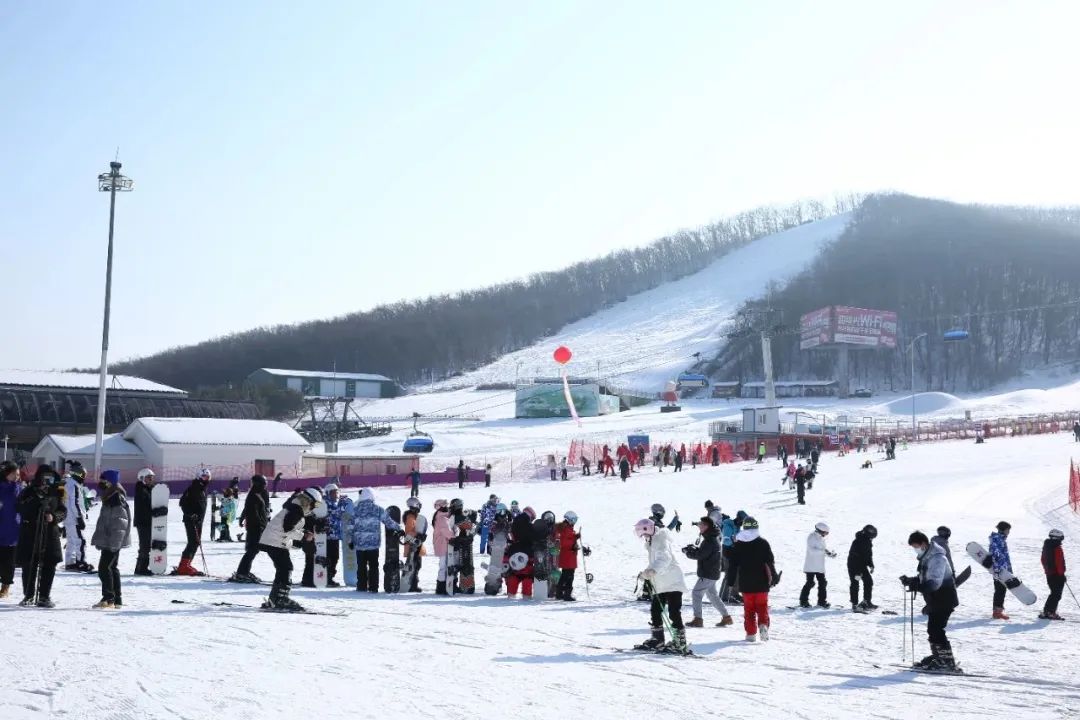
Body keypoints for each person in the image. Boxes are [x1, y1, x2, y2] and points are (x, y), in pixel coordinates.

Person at [901, 531, 960, 670]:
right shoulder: (928, 557)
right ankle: (939, 656)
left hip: (944, 598)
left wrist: (918, 586)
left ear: (923, 544)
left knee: (936, 629)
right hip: (936, 599)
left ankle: (946, 661)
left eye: (915, 546)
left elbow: (934, 583)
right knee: (933, 629)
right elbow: (925, 578)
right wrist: (912, 581)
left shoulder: (937, 558)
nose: (915, 550)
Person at [258, 487, 323, 611]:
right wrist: (304, 536)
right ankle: (281, 599)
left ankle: (275, 599)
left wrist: (301, 536)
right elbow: (287, 528)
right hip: (274, 542)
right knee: (286, 568)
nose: (314, 507)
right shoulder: (297, 509)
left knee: (283, 569)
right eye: (315, 504)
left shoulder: (295, 507)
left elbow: (287, 528)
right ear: (308, 500)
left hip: (274, 541)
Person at [633, 517, 689, 654]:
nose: (644, 537)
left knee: (674, 612)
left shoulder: (660, 540)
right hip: (662, 583)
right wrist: (647, 572)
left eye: (644, 533)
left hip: (673, 582)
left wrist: (652, 571)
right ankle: (657, 640)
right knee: (655, 610)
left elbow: (664, 558)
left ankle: (679, 642)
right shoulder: (652, 542)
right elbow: (655, 561)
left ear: (649, 529)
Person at [16, 465, 67, 607]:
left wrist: (54, 516)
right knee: (29, 564)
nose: (47, 480)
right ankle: (29, 595)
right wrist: (34, 501)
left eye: (50, 476)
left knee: (49, 564)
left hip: (50, 533)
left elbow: (63, 511)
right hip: (31, 532)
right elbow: (19, 507)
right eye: (45, 476)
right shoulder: (29, 491)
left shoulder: (56, 492)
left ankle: (44, 595)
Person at [728, 516, 779, 642]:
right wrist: (774, 577)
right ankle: (763, 625)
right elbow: (770, 562)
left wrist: (730, 582)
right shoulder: (763, 543)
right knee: (762, 606)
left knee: (749, 609)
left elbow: (733, 566)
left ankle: (750, 634)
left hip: (745, 583)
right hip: (762, 582)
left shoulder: (738, 544)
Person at [682, 516, 734, 628]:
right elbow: (704, 553)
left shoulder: (710, 540)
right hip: (712, 573)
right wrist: (693, 549)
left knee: (696, 593)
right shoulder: (711, 538)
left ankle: (698, 619)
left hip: (708, 574)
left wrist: (688, 552)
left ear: (707, 526)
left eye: (701, 525)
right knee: (713, 596)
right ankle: (726, 617)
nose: (699, 527)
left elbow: (700, 555)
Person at [90, 471, 132, 609]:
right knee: (112, 567)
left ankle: (109, 598)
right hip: (110, 539)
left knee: (104, 567)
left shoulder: (115, 498)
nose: (100, 483)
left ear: (110, 482)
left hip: (113, 540)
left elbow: (121, 522)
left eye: (103, 480)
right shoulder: (110, 496)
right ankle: (117, 599)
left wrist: (115, 542)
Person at [349, 488, 402, 592]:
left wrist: (351, 540)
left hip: (359, 544)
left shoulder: (355, 510)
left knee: (361, 566)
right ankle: (373, 587)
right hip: (373, 544)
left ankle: (361, 586)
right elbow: (388, 522)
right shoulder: (377, 509)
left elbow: (350, 527)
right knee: (373, 565)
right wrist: (399, 528)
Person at [230, 474, 270, 583]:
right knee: (252, 550)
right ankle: (242, 573)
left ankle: (244, 571)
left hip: (257, 527)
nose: (265, 486)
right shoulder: (254, 496)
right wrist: (261, 526)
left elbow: (258, 511)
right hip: (255, 528)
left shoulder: (257, 494)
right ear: (258, 484)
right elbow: (253, 513)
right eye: (264, 484)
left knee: (253, 550)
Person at [174, 470, 210, 576]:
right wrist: (190, 514)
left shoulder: (203, 488)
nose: (206, 479)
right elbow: (183, 503)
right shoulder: (194, 487)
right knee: (193, 542)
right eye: (204, 476)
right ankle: (183, 566)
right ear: (199, 477)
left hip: (199, 521)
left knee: (196, 542)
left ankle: (187, 564)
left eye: (208, 477)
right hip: (191, 520)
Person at [63, 462, 93, 572]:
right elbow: (74, 503)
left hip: (68, 518)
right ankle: (81, 562)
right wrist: (79, 518)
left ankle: (70, 562)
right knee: (80, 541)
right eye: (83, 475)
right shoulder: (73, 485)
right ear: (78, 474)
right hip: (73, 518)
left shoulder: (68, 483)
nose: (84, 478)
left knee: (71, 540)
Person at [800, 522, 836, 608]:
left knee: (823, 583)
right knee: (810, 583)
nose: (826, 535)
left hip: (819, 566)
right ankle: (803, 601)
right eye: (825, 533)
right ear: (820, 530)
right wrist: (824, 552)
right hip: (811, 565)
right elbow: (812, 550)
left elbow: (821, 549)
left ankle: (822, 602)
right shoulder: (812, 537)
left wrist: (829, 553)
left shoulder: (820, 538)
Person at [0, 460, 22, 598]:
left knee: (9, 560)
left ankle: (5, 586)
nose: (16, 476)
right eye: (14, 473)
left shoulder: (19, 488)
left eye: (18, 474)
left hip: (13, 528)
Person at [506, 506, 537, 598]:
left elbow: (511, 535)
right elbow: (533, 538)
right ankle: (526, 595)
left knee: (514, 574)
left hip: (514, 550)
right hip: (527, 552)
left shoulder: (514, 523)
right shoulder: (530, 526)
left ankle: (511, 593)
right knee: (527, 575)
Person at [324, 484, 350, 587]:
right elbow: (337, 513)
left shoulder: (334, 502)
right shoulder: (325, 503)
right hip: (327, 536)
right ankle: (327, 578)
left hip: (334, 536)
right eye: (333, 493)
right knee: (330, 557)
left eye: (337, 492)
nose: (336, 495)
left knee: (334, 557)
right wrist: (343, 504)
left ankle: (329, 577)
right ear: (328, 493)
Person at [847, 524, 877, 612]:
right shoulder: (858, 541)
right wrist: (858, 572)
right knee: (855, 583)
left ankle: (866, 602)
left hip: (862, 565)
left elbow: (868, 555)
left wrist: (871, 565)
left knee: (868, 581)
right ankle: (855, 604)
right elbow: (856, 557)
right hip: (854, 566)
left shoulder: (867, 541)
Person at [1039, 529, 1067, 620]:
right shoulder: (1057, 548)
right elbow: (1059, 562)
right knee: (1056, 594)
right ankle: (1051, 612)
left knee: (1053, 593)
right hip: (1057, 574)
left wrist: (1047, 570)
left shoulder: (1046, 546)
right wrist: (1061, 574)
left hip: (1049, 574)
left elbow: (1043, 560)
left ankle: (1047, 611)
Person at [132, 468, 155, 576]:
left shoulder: (146, 488)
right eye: (148, 478)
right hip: (143, 521)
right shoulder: (141, 489)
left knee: (146, 545)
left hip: (147, 521)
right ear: (142, 478)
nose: (151, 480)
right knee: (145, 545)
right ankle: (142, 568)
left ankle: (140, 567)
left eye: (151, 478)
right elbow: (147, 504)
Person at [402, 496, 427, 592]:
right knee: (414, 565)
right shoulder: (410, 517)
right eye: (419, 505)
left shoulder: (413, 516)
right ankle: (412, 585)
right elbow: (409, 532)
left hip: (415, 545)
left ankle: (413, 584)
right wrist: (418, 536)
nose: (420, 507)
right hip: (413, 546)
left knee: (416, 565)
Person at [989, 521, 1013, 620]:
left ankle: (997, 611)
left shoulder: (1000, 539)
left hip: (1003, 570)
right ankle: (997, 612)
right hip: (1000, 570)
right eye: (1008, 530)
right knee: (1000, 590)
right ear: (1003, 529)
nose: (1009, 532)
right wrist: (998, 570)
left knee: (1001, 589)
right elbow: (996, 555)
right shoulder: (997, 539)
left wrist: (1009, 570)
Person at [555, 511, 581, 601]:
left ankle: (559, 593)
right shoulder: (566, 529)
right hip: (568, 556)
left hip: (568, 556)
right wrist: (573, 545)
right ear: (569, 519)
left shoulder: (567, 528)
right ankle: (567, 594)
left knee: (565, 575)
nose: (574, 522)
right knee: (569, 575)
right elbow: (565, 543)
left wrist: (575, 537)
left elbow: (569, 538)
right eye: (573, 520)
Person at [432, 499, 454, 595]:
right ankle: (441, 587)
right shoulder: (442, 518)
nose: (447, 507)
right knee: (443, 566)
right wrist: (454, 537)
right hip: (442, 544)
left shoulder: (442, 516)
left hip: (442, 543)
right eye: (445, 505)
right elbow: (446, 531)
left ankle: (442, 585)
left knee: (443, 565)